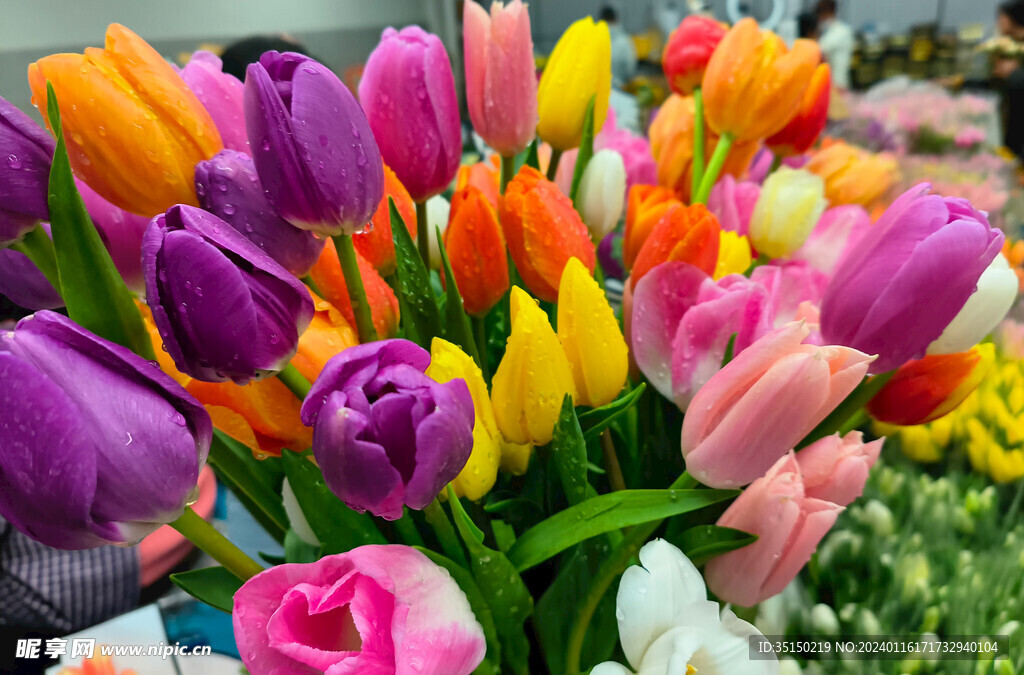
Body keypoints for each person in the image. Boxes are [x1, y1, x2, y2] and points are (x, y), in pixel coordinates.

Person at [994, 1, 1024, 159]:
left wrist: (1014, 73)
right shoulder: (1011, 46)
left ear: (1008, 19)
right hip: (1013, 139)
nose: (997, 23)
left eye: (999, 18)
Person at [816, 0, 854, 89]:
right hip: (833, 83)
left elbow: (820, 49)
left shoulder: (840, 31)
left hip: (838, 84)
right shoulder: (831, 31)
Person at [601, 6, 637, 88]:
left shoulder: (594, 41)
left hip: (598, 92)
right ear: (616, 19)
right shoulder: (625, 41)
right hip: (620, 89)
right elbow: (629, 70)